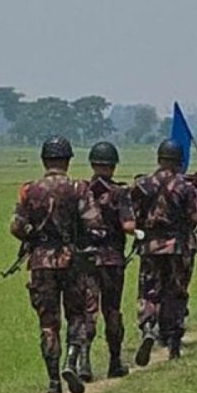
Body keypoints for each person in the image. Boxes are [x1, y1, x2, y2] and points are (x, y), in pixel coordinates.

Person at [9, 136, 104, 393]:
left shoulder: (30, 190)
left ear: (44, 160)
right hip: (72, 261)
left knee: (48, 324)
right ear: (68, 160)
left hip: (41, 262)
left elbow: (16, 226)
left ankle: (53, 384)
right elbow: (95, 225)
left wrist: (34, 236)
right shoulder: (78, 188)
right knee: (77, 315)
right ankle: (71, 362)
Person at [131, 140, 197, 363]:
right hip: (179, 246)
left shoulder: (142, 184)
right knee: (176, 292)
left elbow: (133, 215)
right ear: (179, 161)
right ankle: (174, 343)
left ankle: (148, 328)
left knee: (149, 291)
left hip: (151, 246)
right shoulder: (185, 186)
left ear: (159, 158)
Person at [79, 141, 140, 379]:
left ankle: (84, 363)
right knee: (112, 310)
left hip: (86, 259)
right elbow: (128, 226)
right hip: (112, 260)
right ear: (114, 165)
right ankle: (115, 362)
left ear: (92, 164)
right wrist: (141, 232)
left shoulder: (81, 190)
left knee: (88, 310)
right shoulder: (119, 193)